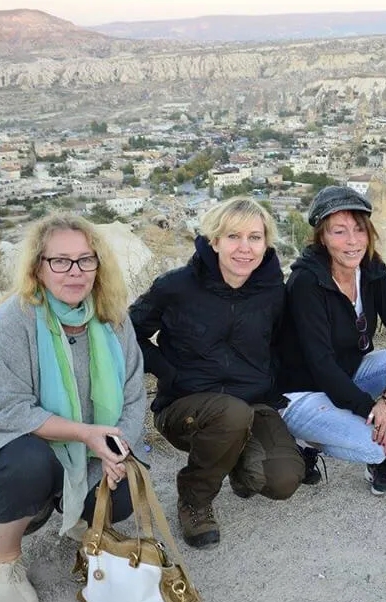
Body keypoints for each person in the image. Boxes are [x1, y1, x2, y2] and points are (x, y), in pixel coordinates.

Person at [0, 214, 146, 602]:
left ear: (98, 265)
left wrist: (114, 448)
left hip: (85, 447)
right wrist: (85, 433)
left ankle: (74, 512)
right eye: (60, 260)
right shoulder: (16, 318)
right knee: (26, 465)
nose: (75, 271)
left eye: (85, 259)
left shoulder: (113, 319)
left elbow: (133, 397)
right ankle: (4, 560)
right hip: (3, 443)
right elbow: (3, 408)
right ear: (38, 267)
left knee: (122, 495)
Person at [129, 196, 304, 549]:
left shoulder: (274, 291)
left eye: (254, 237)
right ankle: (194, 499)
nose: (245, 248)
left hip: (252, 403)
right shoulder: (176, 287)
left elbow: (281, 345)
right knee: (230, 414)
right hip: (185, 406)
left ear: (266, 243)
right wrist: (167, 370)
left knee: (283, 478)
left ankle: (238, 466)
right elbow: (127, 334)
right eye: (233, 236)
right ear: (214, 241)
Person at [279, 186, 386, 496]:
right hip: (303, 391)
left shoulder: (371, 268)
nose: (352, 241)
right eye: (339, 231)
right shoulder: (306, 281)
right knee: (375, 447)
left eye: (359, 229)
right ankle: (305, 442)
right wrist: (372, 411)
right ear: (322, 237)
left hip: (348, 374)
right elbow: (321, 365)